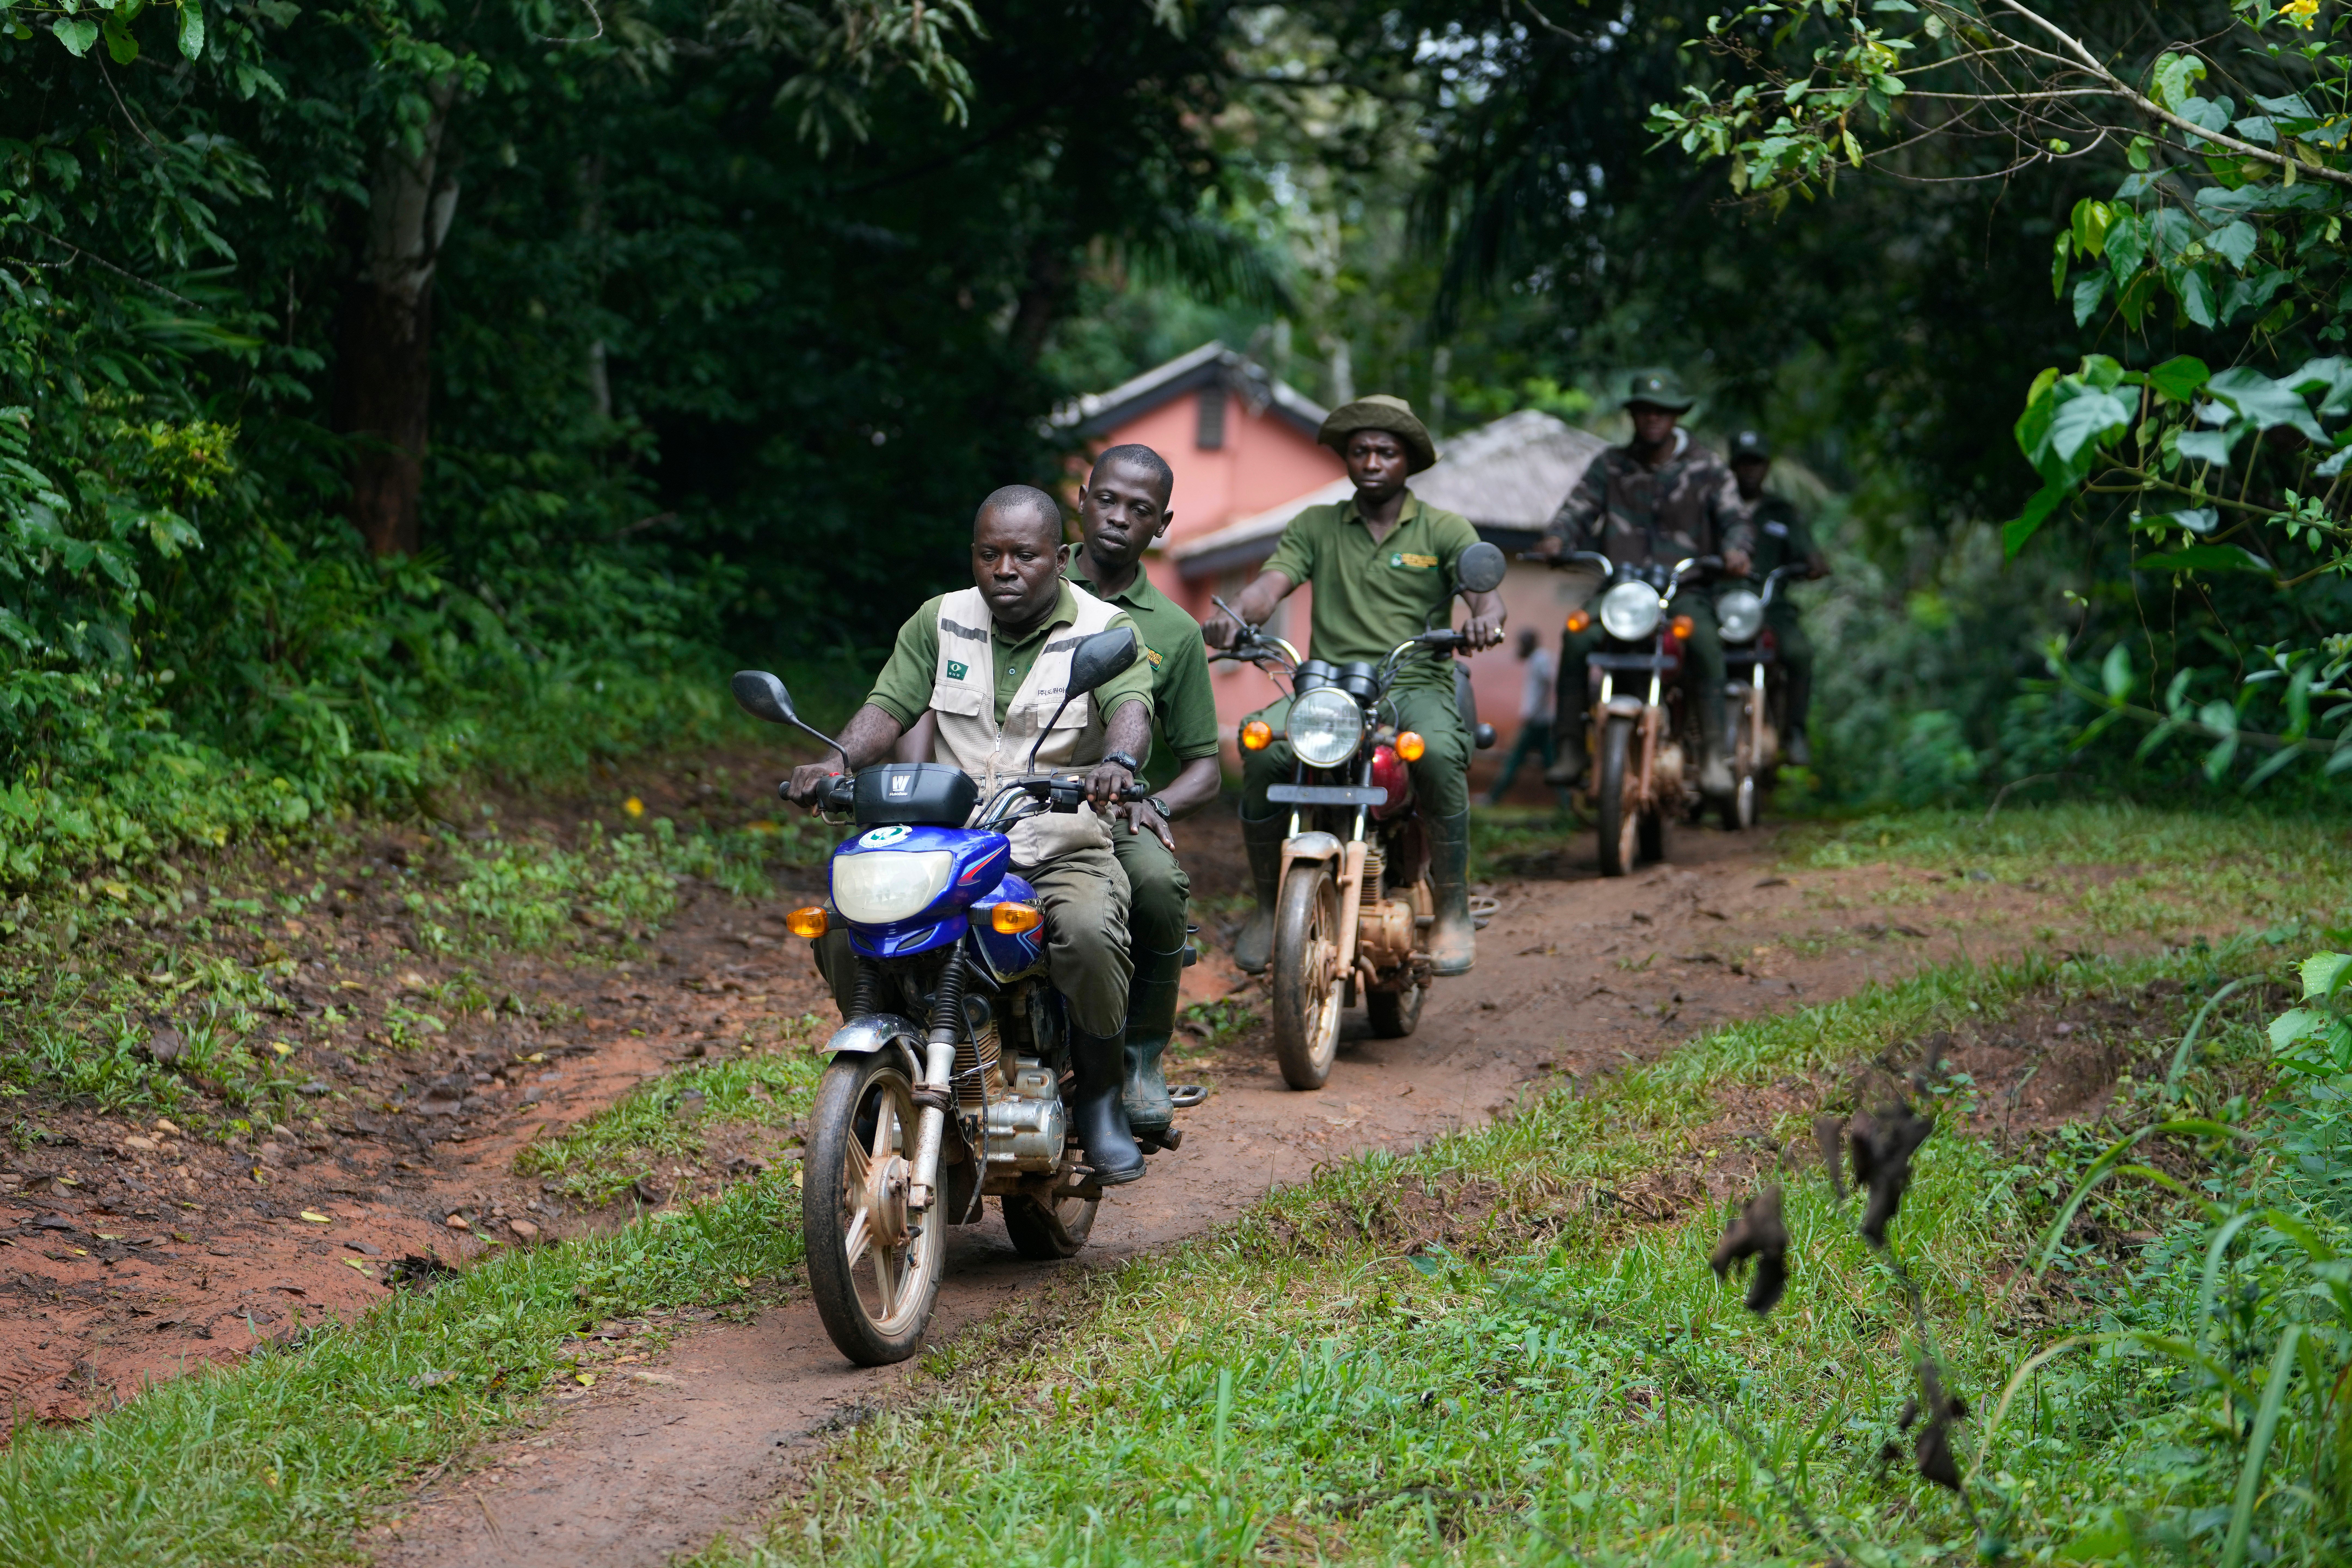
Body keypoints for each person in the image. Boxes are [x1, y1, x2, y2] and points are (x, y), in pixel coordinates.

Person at [785, 485, 1158, 1184]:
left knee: (1085, 931)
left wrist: (1118, 761)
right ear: (974, 557)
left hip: (1057, 843)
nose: (1005, 569)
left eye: (1025, 554)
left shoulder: (1106, 630)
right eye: (990, 554)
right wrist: (835, 760)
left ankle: (1102, 1098)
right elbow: (888, 704)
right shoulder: (939, 619)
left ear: (1062, 557)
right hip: (950, 847)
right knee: (845, 923)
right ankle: (882, 1073)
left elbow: (1131, 706)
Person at [1205, 394, 1505, 977]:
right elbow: (1270, 586)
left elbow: (1485, 594)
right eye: (1361, 451)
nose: (1371, 461)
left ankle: (1451, 909)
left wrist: (1486, 618)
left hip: (1413, 679)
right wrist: (1238, 614)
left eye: (1386, 452)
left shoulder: (1444, 529)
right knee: (1261, 743)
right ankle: (1270, 909)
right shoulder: (1316, 525)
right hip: (1329, 686)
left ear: (1408, 461)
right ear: (1347, 459)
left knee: (1440, 752)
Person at [1065, 443, 1223, 1144]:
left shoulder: (1175, 631)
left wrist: (1153, 803)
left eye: (1140, 510)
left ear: (1161, 525)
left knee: (1158, 884)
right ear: (1083, 498)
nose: (1120, 518)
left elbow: (1205, 767)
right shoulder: (1018, 577)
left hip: (1112, 807)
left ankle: (1139, 1060)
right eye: (1108, 500)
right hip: (1000, 792)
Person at [1531, 369, 1753, 798]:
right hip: (1621, 592)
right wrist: (1558, 539)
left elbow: (1736, 520)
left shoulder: (1707, 469)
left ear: (1676, 417)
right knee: (1576, 637)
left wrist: (1737, 549)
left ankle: (1711, 757)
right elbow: (1578, 508)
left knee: (1706, 641)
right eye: (1643, 411)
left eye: (1662, 412)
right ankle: (1571, 748)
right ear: (1633, 416)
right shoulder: (1610, 465)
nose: (1652, 419)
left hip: (1683, 590)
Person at [1727, 429, 1829, 768]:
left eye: (1756, 463)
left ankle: (1795, 733)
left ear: (1767, 467)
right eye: (1743, 463)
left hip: (1771, 606)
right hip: (1724, 604)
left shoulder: (1782, 512)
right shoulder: (1719, 506)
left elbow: (1807, 551)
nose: (1750, 471)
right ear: (1733, 466)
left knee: (1799, 653)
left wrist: (1813, 563)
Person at [1483, 629, 1557, 805]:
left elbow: (1547, 684)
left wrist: (1532, 713)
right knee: (1550, 763)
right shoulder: (1537, 659)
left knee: (1514, 760)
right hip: (1541, 721)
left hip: (1536, 722)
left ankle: (1493, 798)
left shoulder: (1541, 659)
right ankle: (1567, 802)